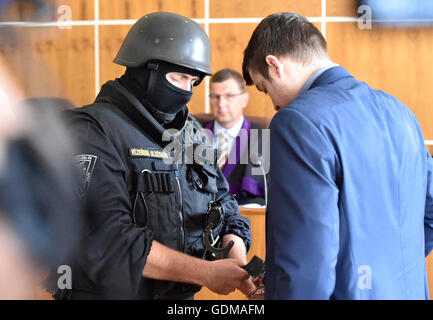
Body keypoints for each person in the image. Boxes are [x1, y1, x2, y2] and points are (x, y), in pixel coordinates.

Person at [53, 12, 256, 300]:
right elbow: (111, 241)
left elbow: (223, 202)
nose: (186, 91)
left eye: (193, 82)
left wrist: (234, 248)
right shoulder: (91, 131)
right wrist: (206, 273)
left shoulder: (192, 133)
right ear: (143, 69)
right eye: (178, 78)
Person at [242, 12, 433, 299]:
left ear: (274, 65)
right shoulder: (401, 112)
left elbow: (305, 263)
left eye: (265, 89)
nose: (274, 105)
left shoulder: (297, 121)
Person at [204, 68, 266, 206]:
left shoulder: (263, 140)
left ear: (244, 99)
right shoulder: (195, 135)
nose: (221, 104)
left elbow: (265, 196)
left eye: (229, 96)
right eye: (215, 96)